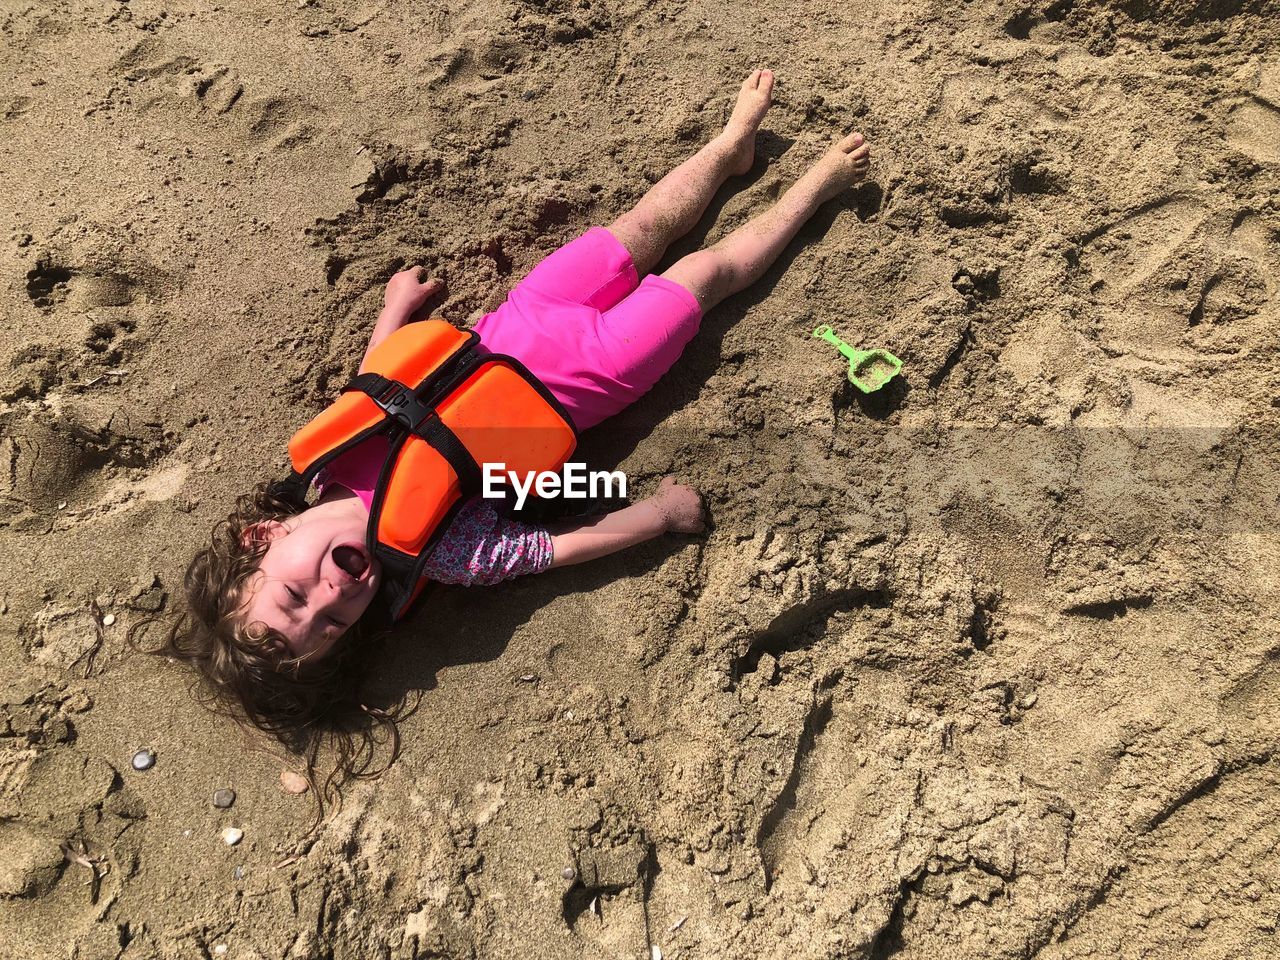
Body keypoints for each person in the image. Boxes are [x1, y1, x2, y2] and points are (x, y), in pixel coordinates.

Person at [144, 69, 871, 800]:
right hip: (594, 375)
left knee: (644, 224)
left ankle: (729, 148)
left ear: (262, 537)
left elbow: (373, 389)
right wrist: (658, 517)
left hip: (524, 316)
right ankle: (814, 189)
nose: (334, 593)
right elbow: (552, 549)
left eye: (298, 595)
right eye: (333, 622)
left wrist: (394, 310)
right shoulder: (442, 550)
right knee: (702, 273)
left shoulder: (318, 467)